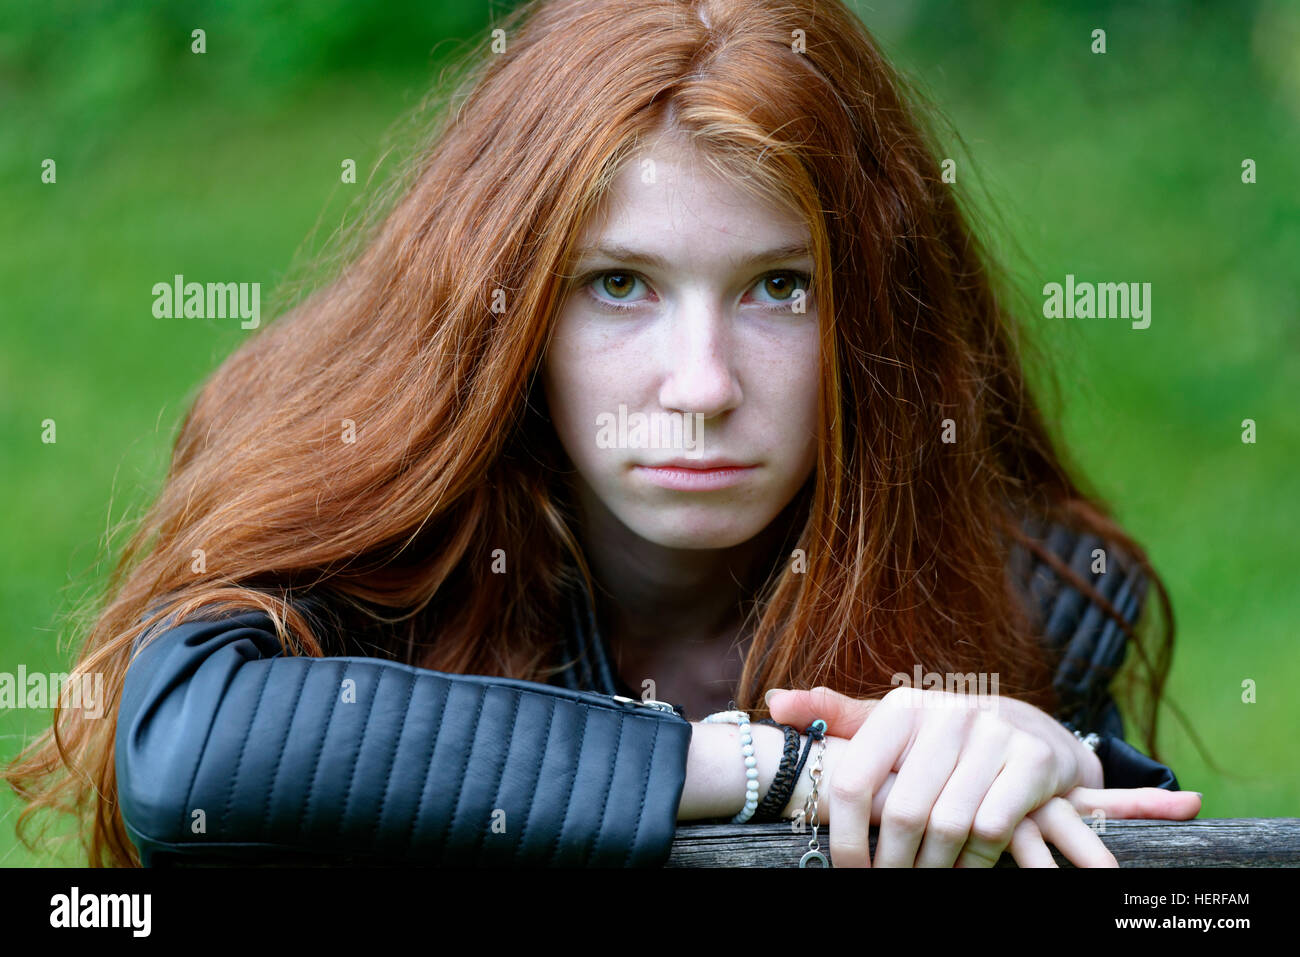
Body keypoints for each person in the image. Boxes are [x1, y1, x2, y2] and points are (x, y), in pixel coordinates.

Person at [4, 0, 1198, 868]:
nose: (700, 386)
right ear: (506, 305)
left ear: (880, 316)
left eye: (780, 287)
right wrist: (767, 768)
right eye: (618, 285)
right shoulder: (377, 512)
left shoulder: (1023, 591)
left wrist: (1052, 767)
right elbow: (187, 750)